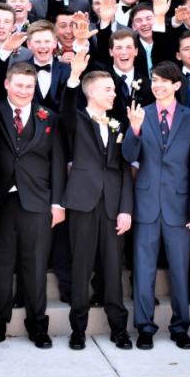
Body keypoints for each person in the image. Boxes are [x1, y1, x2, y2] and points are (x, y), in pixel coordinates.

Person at [0, 59, 66, 350]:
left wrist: (57, 203)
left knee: (35, 266)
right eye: (19, 85)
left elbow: (57, 163)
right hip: (0, 201)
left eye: (29, 86)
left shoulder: (49, 116)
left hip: (38, 201)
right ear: (7, 84)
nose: (24, 91)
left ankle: (37, 326)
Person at [122, 61, 190, 350]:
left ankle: (180, 327)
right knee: (143, 270)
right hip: (145, 205)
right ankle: (145, 327)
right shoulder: (140, 115)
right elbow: (128, 157)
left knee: (180, 272)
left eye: (163, 81)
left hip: (180, 206)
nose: (157, 85)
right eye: (154, 80)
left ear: (176, 85)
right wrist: (134, 130)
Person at [59, 56, 134, 351]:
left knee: (114, 268)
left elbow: (124, 168)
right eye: (108, 89)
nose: (113, 94)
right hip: (83, 203)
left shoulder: (117, 124)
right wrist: (74, 77)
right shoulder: (75, 119)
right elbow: (66, 109)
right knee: (81, 267)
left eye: (113, 90)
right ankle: (78, 329)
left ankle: (119, 329)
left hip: (114, 205)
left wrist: (126, 207)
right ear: (91, 92)